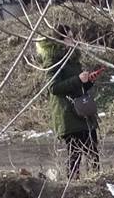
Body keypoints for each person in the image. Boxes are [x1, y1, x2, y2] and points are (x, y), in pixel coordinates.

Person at [36, 26, 101, 177]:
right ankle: (73, 186)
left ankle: (96, 182)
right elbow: (53, 87)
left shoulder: (72, 58)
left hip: (82, 111)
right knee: (75, 155)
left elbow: (78, 86)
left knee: (93, 152)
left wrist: (88, 81)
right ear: (60, 40)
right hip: (68, 114)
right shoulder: (53, 59)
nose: (73, 40)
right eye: (69, 37)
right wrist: (77, 79)